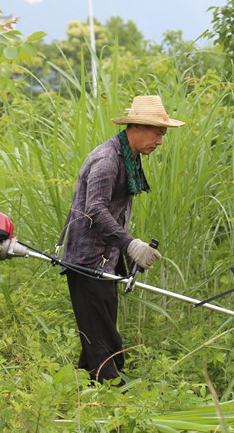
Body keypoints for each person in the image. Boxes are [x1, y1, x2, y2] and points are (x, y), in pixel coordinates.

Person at [62, 95, 184, 385]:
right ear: (137, 127)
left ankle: (82, 392)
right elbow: (95, 210)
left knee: (98, 333)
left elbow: (114, 212)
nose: (160, 141)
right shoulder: (107, 160)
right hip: (88, 261)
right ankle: (114, 396)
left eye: (163, 135)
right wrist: (130, 243)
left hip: (106, 258)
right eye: (158, 134)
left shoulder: (128, 157)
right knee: (103, 338)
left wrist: (125, 251)